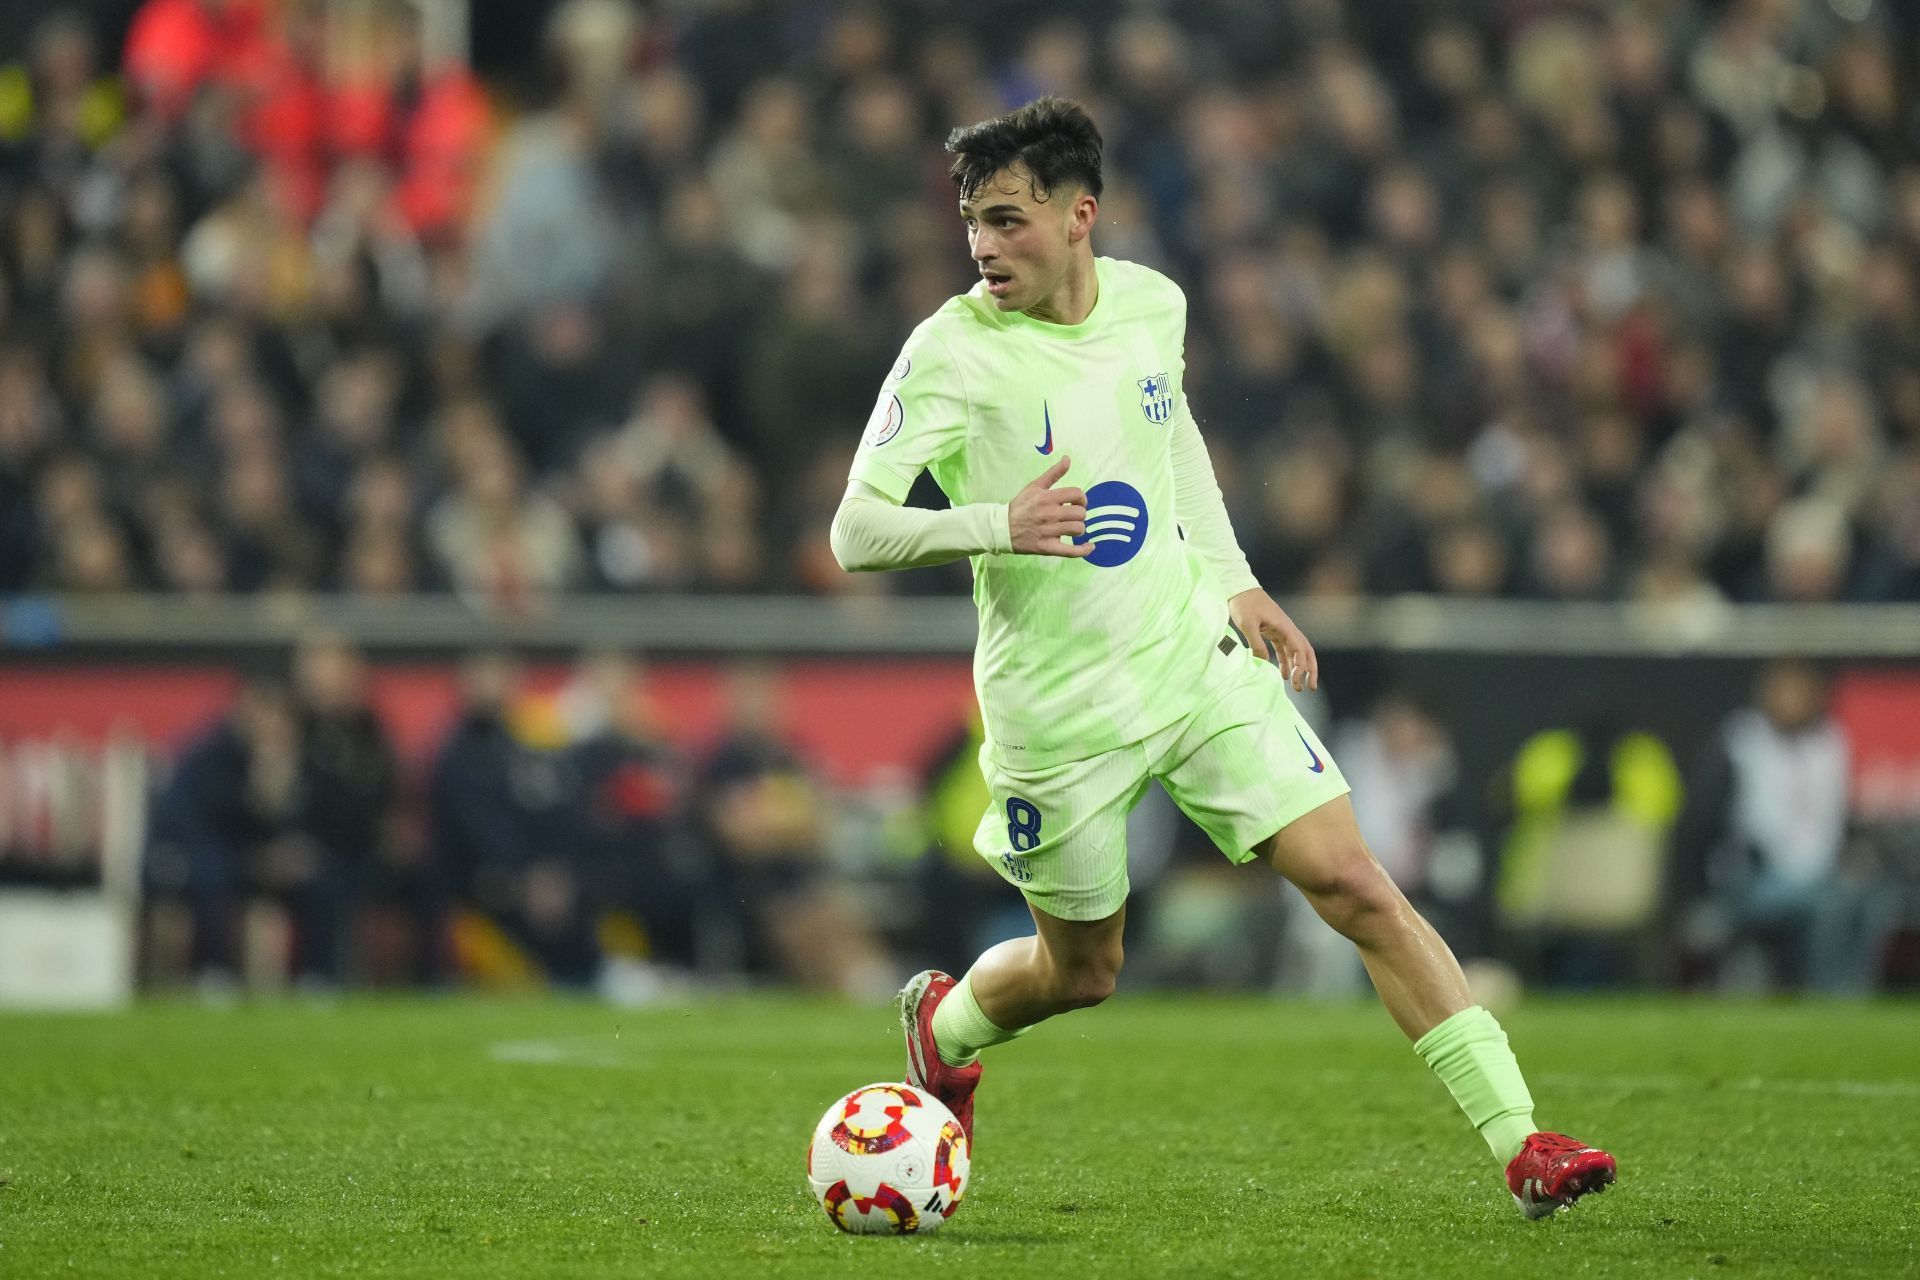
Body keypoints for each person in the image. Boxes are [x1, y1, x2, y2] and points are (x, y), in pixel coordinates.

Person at [828, 98, 1616, 1219]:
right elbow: (854, 532)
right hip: (1056, 706)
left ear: (1079, 213)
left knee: (1354, 882)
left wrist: (1237, 578)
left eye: (1007, 219)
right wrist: (1000, 522)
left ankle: (1523, 1143)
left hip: (1188, 653)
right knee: (1081, 970)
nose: (983, 246)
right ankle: (943, 1023)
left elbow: (1170, 428)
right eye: (971, 223)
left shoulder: (1154, 305)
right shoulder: (951, 354)